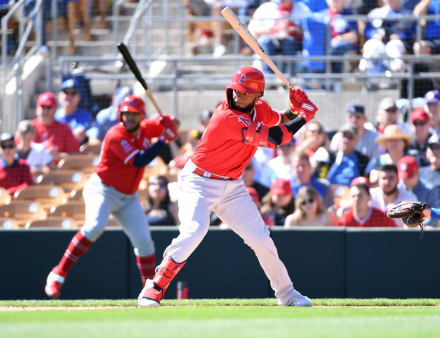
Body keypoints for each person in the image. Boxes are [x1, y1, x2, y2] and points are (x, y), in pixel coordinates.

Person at [137, 66, 318, 307]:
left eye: (244, 92)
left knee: (261, 239)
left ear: (258, 96)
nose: (237, 96)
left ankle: (287, 294)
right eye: (235, 90)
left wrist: (295, 109)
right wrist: (304, 116)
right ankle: (154, 288)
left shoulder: (260, 110)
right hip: (199, 181)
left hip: (232, 185)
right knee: (194, 231)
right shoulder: (226, 117)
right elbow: (276, 138)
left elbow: (279, 120)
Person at [44, 95, 179, 298]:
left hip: (128, 196)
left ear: (141, 116)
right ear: (120, 115)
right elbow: (139, 160)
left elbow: (168, 127)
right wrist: (163, 139)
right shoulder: (115, 134)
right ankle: (58, 274)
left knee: (144, 241)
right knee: (95, 226)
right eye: (126, 114)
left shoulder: (145, 128)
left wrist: (169, 123)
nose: (130, 118)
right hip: (103, 189)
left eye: (134, 115)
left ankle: (150, 292)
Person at [248, 0, 310, 75]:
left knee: (288, 43)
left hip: (293, 45)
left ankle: (288, 76)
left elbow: (309, 31)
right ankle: (269, 77)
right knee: (266, 42)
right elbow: (252, 30)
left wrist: (292, 29)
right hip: (268, 43)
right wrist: (272, 29)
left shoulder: (302, 8)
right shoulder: (265, 8)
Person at [359, 0, 416, 74]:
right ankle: (363, 71)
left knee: (393, 46)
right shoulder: (375, 13)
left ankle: (397, 74)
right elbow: (368, 29)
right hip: (380, 43)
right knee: (371, 44)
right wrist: (374, 34)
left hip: (398, 44)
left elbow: (412, 31)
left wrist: (401, 36)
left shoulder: (408, 14)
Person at [32, 92, 80, 162]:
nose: (45, 111)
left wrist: (59, 155)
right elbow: (18, 153)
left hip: (57, 171)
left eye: (49, 107)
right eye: (43, 107)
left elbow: (76, 155)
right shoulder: (29, 128)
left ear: (55, 109)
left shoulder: (64, 129)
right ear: (37, 108)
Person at [55, 79, 93, 145]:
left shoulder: (85, 116)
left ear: (79, 97)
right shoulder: (53, 116)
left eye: (73, 93)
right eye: (66, 92)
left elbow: (80, 136)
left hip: (77, 153)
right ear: (60, 96)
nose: (69, 96)